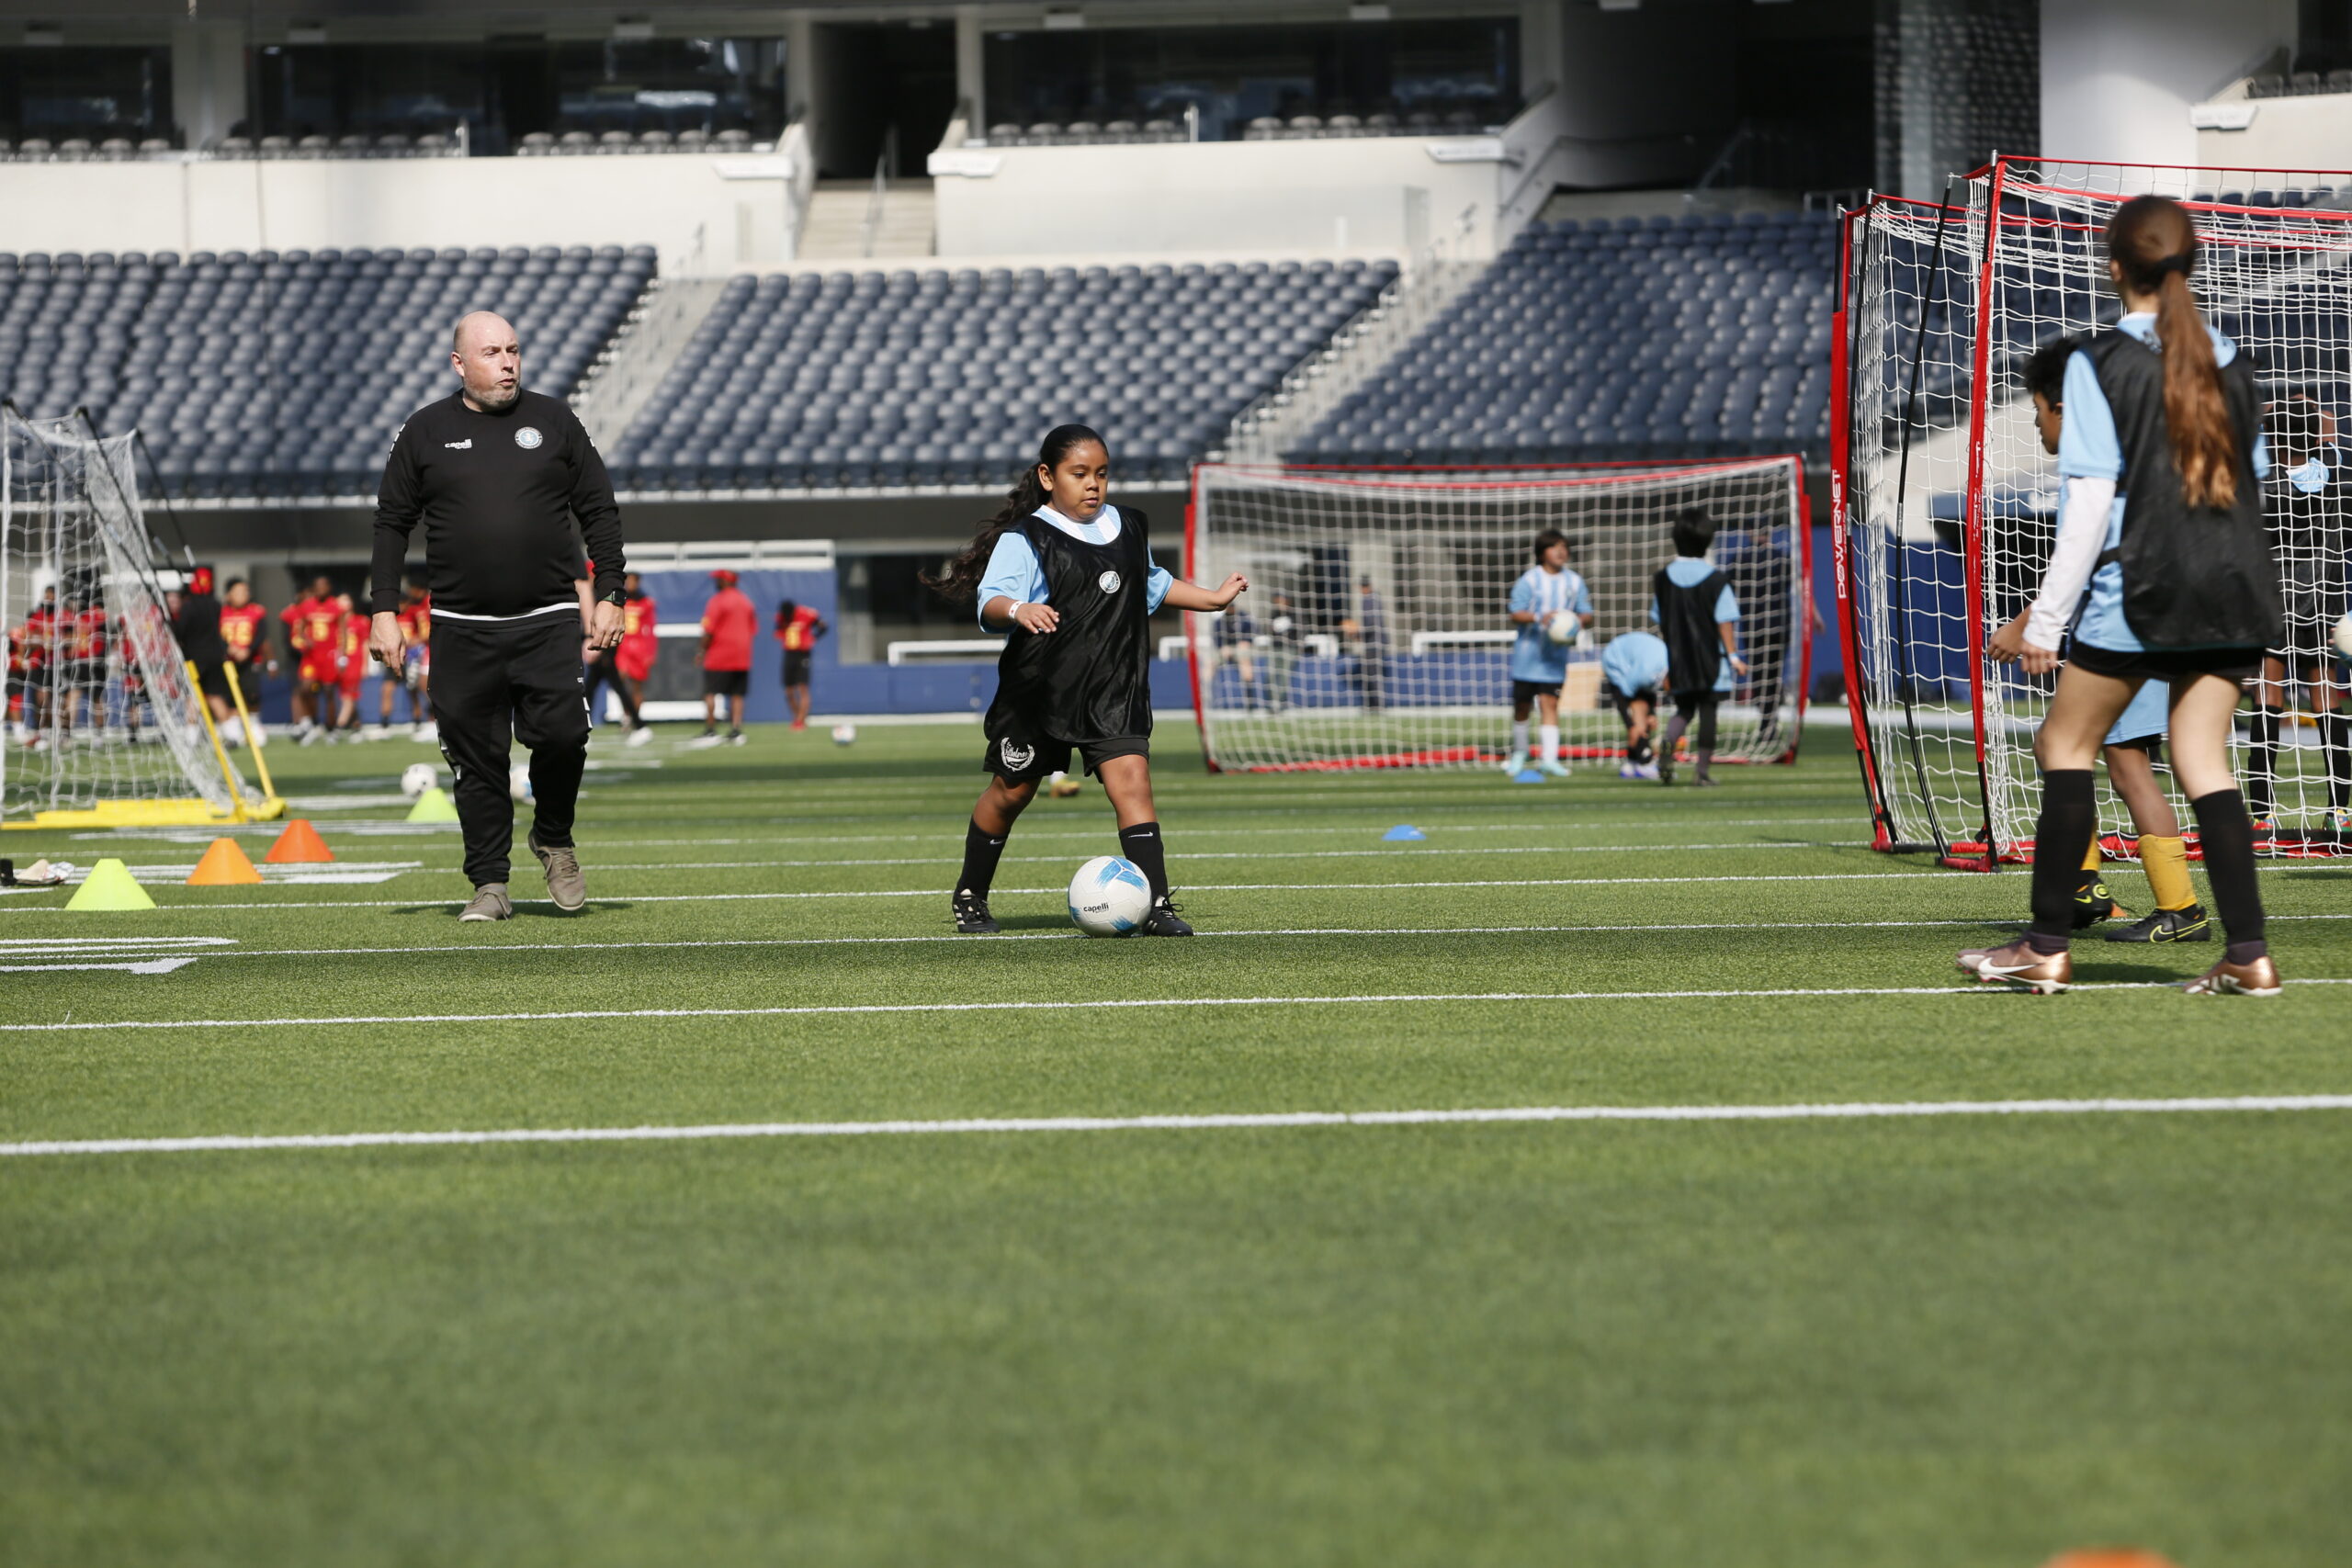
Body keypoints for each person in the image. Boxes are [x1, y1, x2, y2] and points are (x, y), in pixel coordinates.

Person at [1962, 195, 2282, 996]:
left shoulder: (2096, 362)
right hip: (2238, 584)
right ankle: (2249, 953)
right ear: (2193, 261)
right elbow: (2256, 481)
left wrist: (2046, 618)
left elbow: (2089, 506)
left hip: (2144, 587)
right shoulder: (2233, 358)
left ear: (2114, 267)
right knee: (2202, 758)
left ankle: (2044, 943)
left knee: (2063, 747)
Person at [923, 423, 1248, 936]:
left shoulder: (1128, 526)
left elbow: (1153, 585)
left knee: (1133, 784)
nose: (1093, 484)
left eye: (1101, 474)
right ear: (1048, 477)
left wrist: (1212, 598)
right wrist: (1020, 607)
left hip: (1112, 687)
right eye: (1080, 474)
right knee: (1011, 792)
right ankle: (970, 893)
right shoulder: (1025, 536)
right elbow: (989, 602)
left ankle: (1158, 905)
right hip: (1039, 690)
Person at [369, 309, 626, 922]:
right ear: (460, 363)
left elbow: (600, 508)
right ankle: (489, 883)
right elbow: (391, 524)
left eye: (513, 349)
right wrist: (383, 609)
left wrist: (612, 592)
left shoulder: (554, 420)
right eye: (492, 352)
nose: (508, 362)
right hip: (461, 626)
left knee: (565, 735)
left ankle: (554, 836)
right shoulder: (425, 431)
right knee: (477, 759)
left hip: (547, 618)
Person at [1995, 334, 2206, 941]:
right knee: (2082, 753)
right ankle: (2090, 888)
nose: (2036, 425)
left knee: (2120, 765)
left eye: (2038, 411)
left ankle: (2178, 906)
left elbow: (2091, 559)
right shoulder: (2135, 459)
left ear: (2065, 407)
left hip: (2127, 631)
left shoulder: (2097, 470)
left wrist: (2029, 623)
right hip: (2141, 627)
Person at [2245, 393, 2347, 832]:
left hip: (2269, 599)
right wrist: (2311, 412)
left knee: (2267, 699)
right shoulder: (2336, 476)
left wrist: (2267, 415)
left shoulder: (2257, 483)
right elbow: (2330, 434)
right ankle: (2339, 809)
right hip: (2322, 597)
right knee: (2327, 700)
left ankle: (2262, 814)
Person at [1651, 508, 1746, 786]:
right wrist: (1733, 655)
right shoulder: (1717, 580)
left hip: (1679, 659)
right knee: (1708, 713)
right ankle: (1701, 772)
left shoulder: (1662, 579)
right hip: (1711, 660)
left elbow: (1660, 620)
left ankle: (1668, 743)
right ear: (1707, 541)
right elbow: (1724, 622)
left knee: (1684, 710)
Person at [1504, 528, 1594, 777]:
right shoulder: (1530, 580)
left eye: (1564, 546)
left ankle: (1550, 759)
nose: (1561, 551)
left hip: (1555, 658)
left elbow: (1587, 612)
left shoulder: (1574, 582)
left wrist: (1577, 620)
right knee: (1522, 706)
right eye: (1555, 546)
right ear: (1542, 552)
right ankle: (1520, 752)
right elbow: (1515, 612)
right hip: (1527, 656)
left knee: (1550, 703)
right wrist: (1539, 618)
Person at [171, 566, 234, 739]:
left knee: (193, 695)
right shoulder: (216, 605)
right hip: (216, 656)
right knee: (215, 695)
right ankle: (232, 734)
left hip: (195, 658)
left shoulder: (189, 606)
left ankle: (191, 736)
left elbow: (179, 632)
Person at [1600, 629, 1668, 780]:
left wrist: (1651, 714)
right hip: (1616, 661)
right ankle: (1645, 763)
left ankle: (1630, 764)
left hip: (1635, 662)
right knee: (1638, 722)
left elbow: (1650, 689)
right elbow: (1625, 693)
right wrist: (1631, 724)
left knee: (1644, 720)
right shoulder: (1647, 672)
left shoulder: (1660, 669)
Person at [697, 569, 754, 745]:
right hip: (742, 655)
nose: (716, 582)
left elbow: (709, 630)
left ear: (725, 581)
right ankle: (736, 729)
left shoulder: (717, 601)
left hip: (719, 654)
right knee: (737, 694)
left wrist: (702, 651)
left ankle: (711, 729)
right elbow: (753, 629)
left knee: (710, 692)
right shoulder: (746, 601)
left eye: (719, 580)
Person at [282, 574, 341, 743]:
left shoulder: (336, 607)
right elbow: (299, 627)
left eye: (324, 585)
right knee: (305, 688)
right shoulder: (306, 606)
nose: (321, 589)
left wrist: (341, 655)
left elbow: (343, 631)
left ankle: (331, 728)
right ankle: (312, 723)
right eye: (318, 586)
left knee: (329, 691)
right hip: (311, 656)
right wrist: (304, 638)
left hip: (329, 655)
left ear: (329, 588)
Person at [375, 582, 433, 737]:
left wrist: (415, 640)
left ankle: (418, 719)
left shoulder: (415, 613)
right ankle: (385, 722)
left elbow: (424, 632)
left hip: (411, 657)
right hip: (395, 656)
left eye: (403, 603)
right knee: (387, 689)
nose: (401, 606)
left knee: (413, 689)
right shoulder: (391, 616)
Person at [217, 578, 269, 744]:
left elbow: (261, 635)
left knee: (252, 693)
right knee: (230, 695)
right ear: (228, 595)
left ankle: (254, 725)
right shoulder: (221, 612)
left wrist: (248, 650)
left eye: (245, 591)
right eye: (238, 592)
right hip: (228, 660)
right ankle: (233, 731)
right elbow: (216, 635)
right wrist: (229, 648)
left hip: (250, 659)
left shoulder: (256, 611)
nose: (243, 595)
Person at [775, 596, 827, 730]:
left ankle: (800, 721)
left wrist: (813, 638)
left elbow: (823, 626)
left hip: (803, 654)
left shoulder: (806, 614)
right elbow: (778, 632)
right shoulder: (781, 617)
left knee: (803, 688)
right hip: (789, 654)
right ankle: (797, 718)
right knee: (789, 691)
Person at [1213, 600, 1261, 709]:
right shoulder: (1220, 621)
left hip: (1241, 648)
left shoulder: (1244, 618)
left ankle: (1250, 702)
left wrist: (1247, 641)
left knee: (1246, 665)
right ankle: (1205, 697)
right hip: (1226, 649)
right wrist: (1222, 647)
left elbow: (1254, 631)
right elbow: (1216, 637)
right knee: (1209, 663)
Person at [1350, 575, 1389, 711]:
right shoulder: (1370, 599)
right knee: (1369, 673)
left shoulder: (1371, 599)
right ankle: (1372, 704)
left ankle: (1376, 704)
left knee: (1373, 673)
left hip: (1375, 643)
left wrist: (1357, 631)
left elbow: (1372, 624)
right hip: (1371, 642)